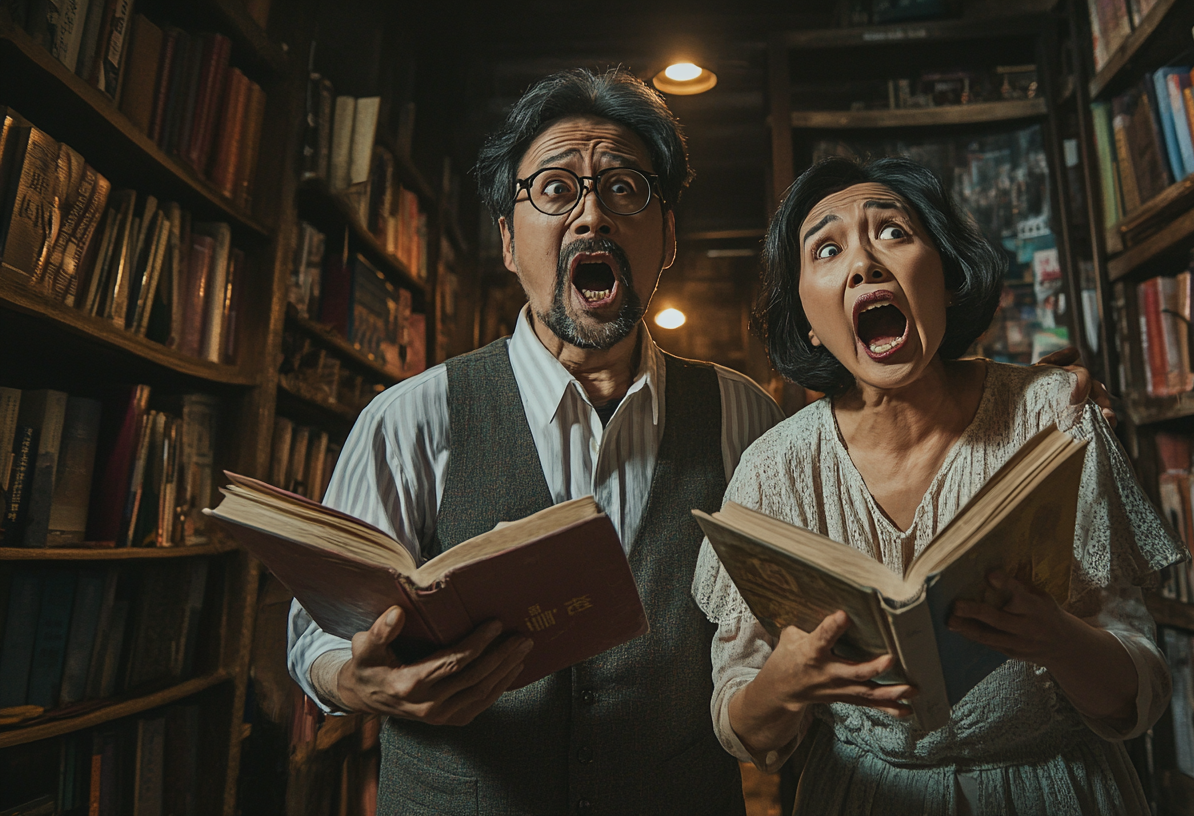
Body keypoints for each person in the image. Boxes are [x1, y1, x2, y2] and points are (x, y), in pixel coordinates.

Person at [286, 68, 1115, 816]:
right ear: (508, 239)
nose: (591, 212)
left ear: (667, 239)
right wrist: (354, 680)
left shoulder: (745, 420)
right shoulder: (410, 418)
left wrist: (1016, 388)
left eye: (623, 187)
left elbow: (880, 411)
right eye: (553, 189)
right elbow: (317, 632)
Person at [692, 156, 1186, 815]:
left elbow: (1139, 697)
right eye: (828, 248)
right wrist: (782, 686)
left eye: (893, 232)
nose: (865, 262)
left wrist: (1058, 640)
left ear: (949, 277)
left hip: (1053, 791)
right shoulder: (772, 472)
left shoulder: (1053, 417)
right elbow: (743, 729)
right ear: (809, 318)